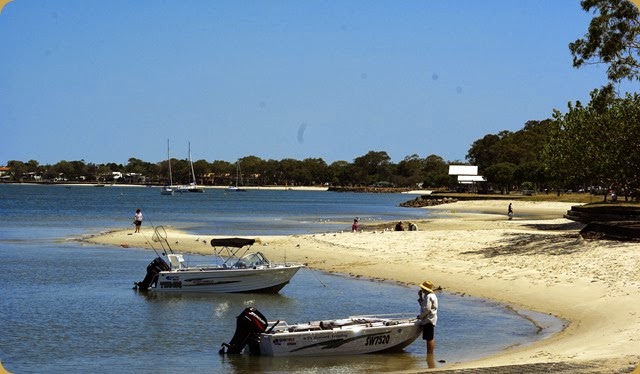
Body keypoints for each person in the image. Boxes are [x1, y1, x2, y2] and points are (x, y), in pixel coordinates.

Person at [418, 280, 438, 356]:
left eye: (422, 288)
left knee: (429, 338)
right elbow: (424, 306)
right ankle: (430, 354)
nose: (421, 289)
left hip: (428, 319)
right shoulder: (432, 295)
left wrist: (420, 316)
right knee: (429, 338)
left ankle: (429, 354)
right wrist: (420, 297)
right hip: (431, 318)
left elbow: (426, 309)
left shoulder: (429, 296)